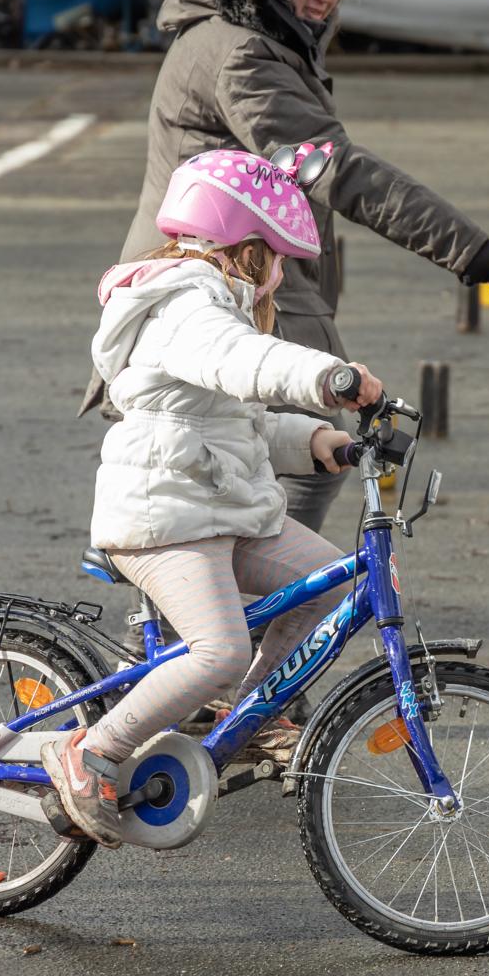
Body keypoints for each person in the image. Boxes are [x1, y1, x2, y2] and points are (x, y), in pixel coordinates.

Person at [83, 0, 489, 534]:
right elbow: (332, 167)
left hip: (242, 269)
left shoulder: (262, 35)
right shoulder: (243, 52)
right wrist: (462, 245)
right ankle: (214, 613)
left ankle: (205, 612)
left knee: (237, 455)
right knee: (304, 450)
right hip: (217, 275)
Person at [48, 147, 384, 845]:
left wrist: (314, 438)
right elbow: (240, 365)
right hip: (165, 517)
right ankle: (91, 751)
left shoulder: (215, 301)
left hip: (223, 508)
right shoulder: (185, 299)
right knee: (219, 649)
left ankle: (253, 716)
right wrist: (332, 378)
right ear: (248, 250)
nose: (284, 274)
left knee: (334, 585)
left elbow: (237, 418)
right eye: (279, 257)